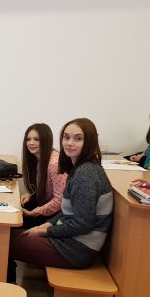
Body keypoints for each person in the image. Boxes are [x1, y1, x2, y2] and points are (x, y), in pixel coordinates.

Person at [8, 118, 113, 283]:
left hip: (76, 249)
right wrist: (45, 225)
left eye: (78, 138)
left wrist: (44, 231)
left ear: (90, 141)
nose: (69, 143)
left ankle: (7, 288)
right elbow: (67, 211)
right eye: (66, 137)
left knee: (2, 240)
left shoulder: (86, 174)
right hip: (72, 241)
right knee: (6, 233)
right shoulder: (80, 167)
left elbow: (82, 224)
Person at [19, 123, 67, 229]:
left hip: (56, 215)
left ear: (46, 141)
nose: (31, 143)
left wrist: (34, 212)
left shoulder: (55, 163)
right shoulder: (38, 158)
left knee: (13, 224)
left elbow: (59, 201)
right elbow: (43, 186)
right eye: (28, 139)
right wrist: (30, 195)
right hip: (44, 205)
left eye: (36, 139)